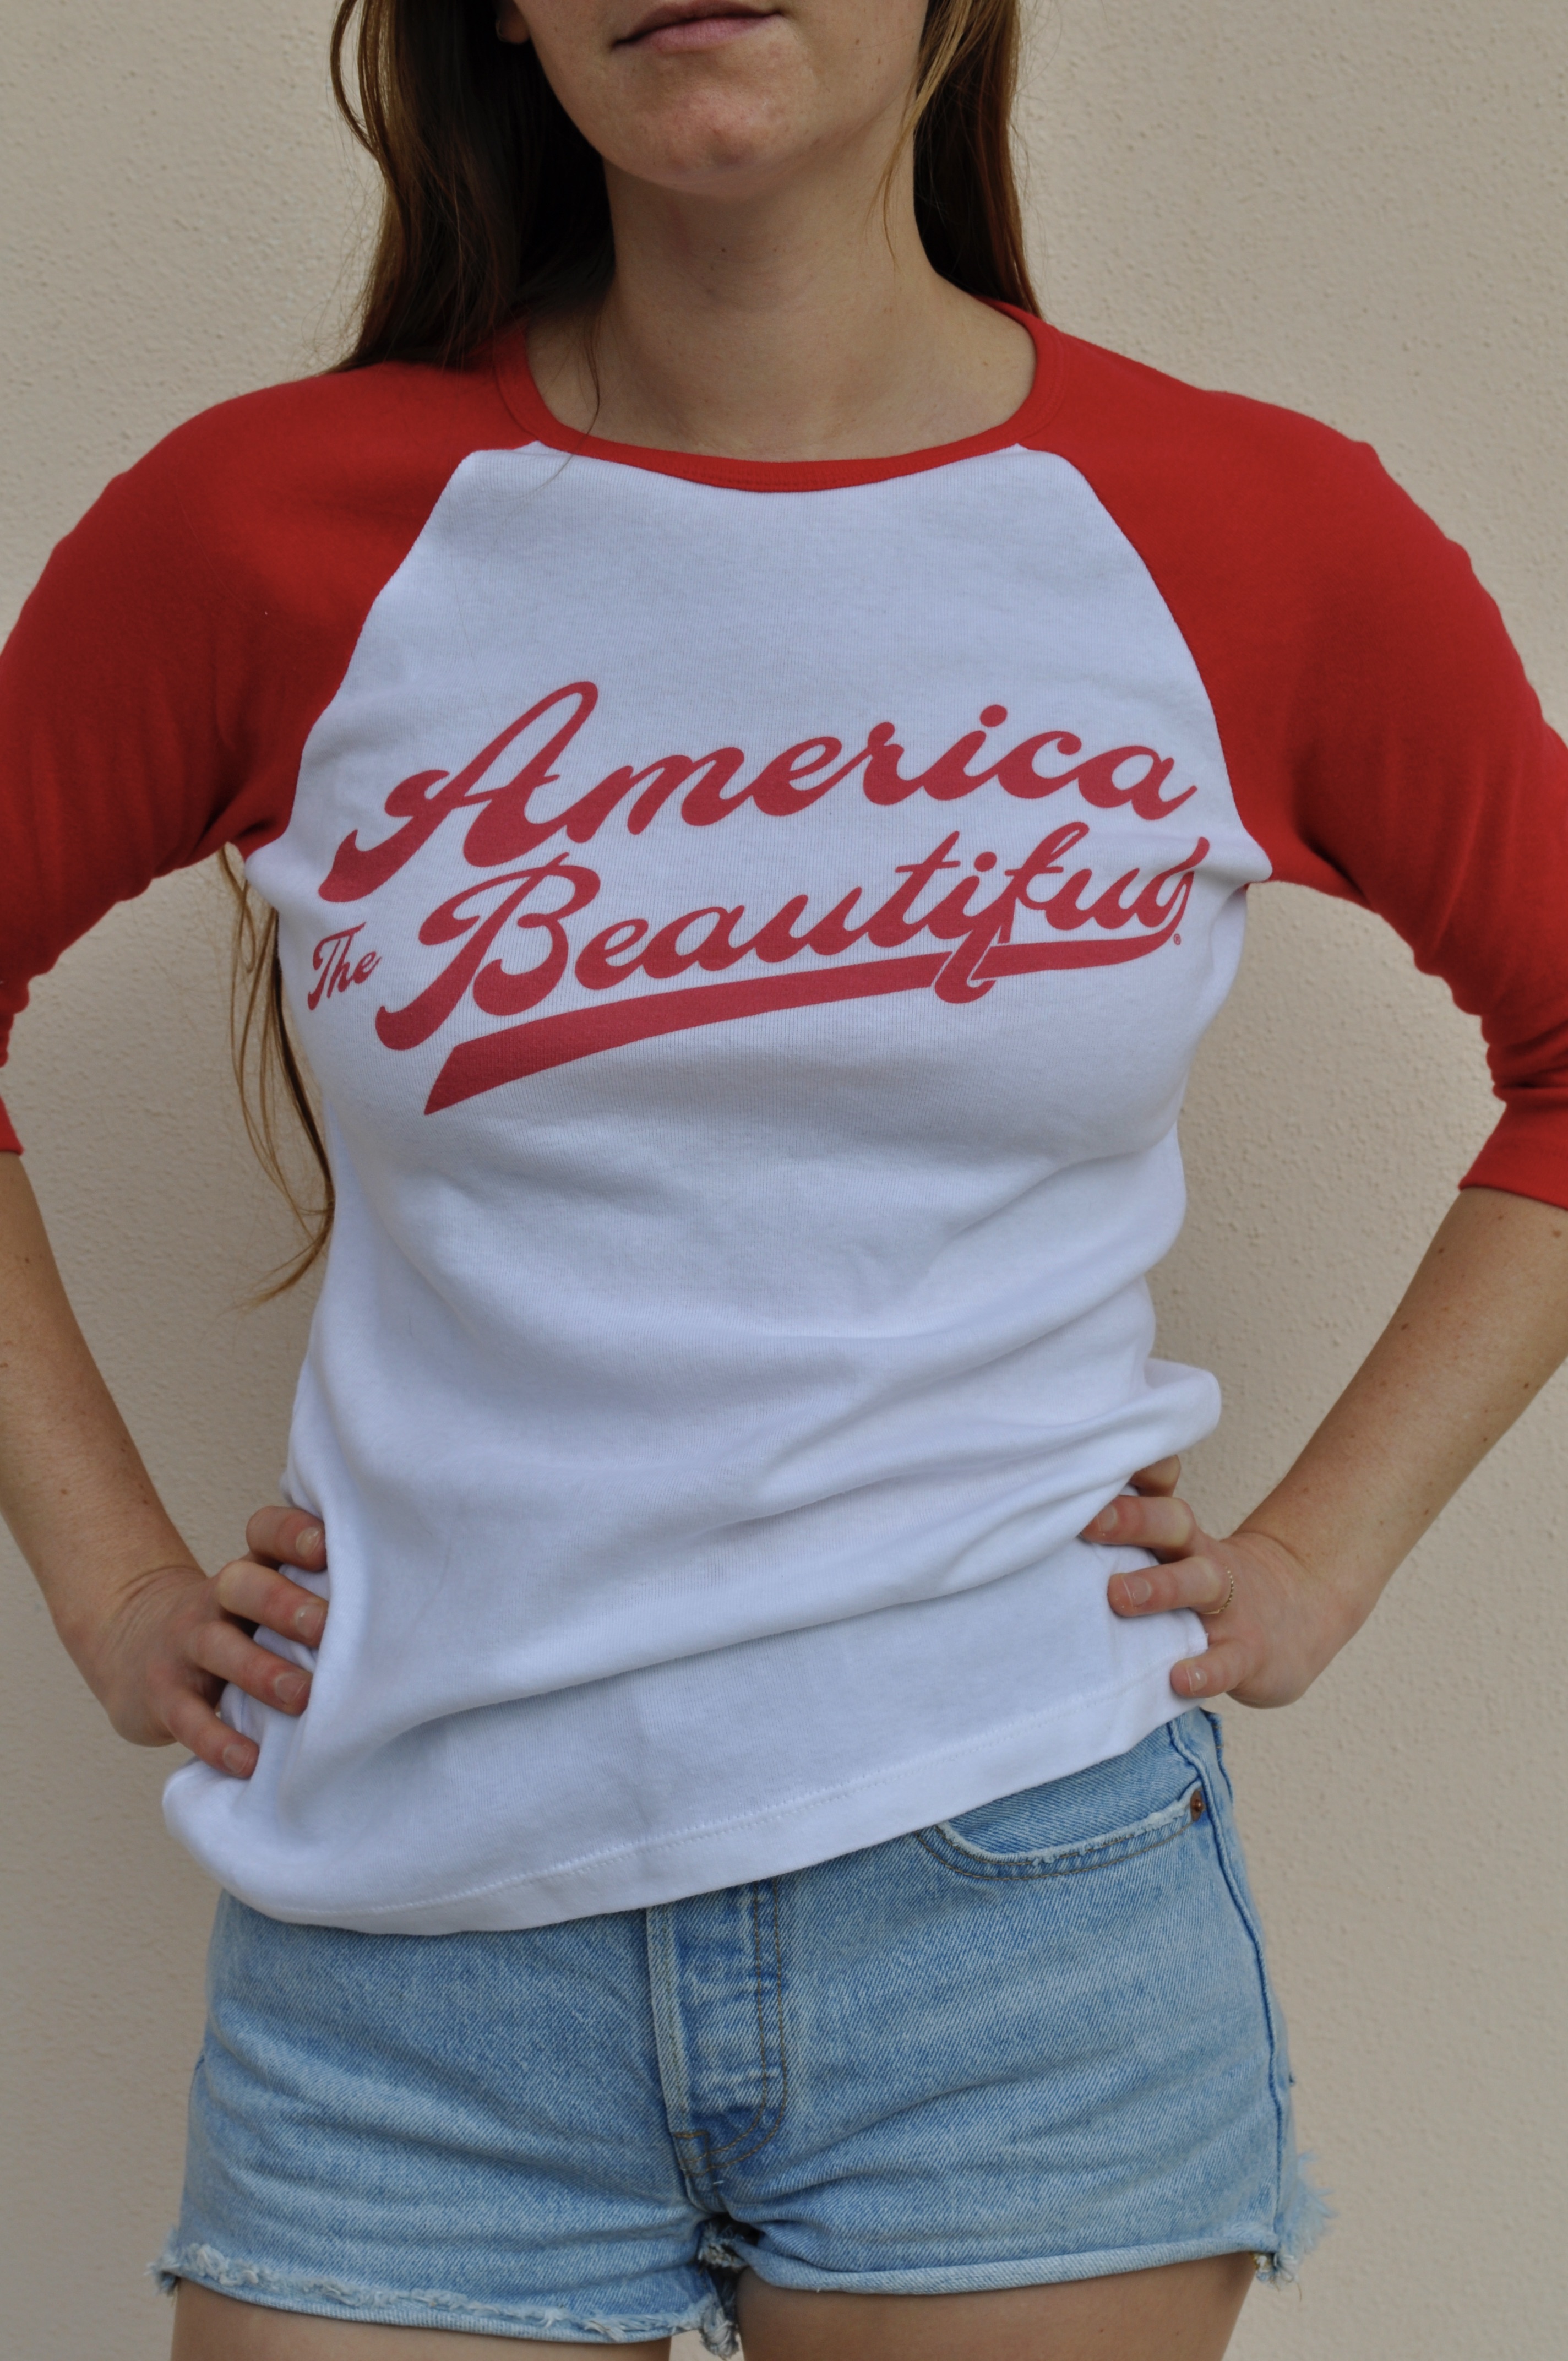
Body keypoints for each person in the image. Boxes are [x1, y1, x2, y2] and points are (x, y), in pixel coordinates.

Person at [2, 1, 1565, 2354]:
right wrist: (108, 1576)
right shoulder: (271, 525)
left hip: (1023, 1915)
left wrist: (1323, 1556)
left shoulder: (1243, 527)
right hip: (411, 1956)